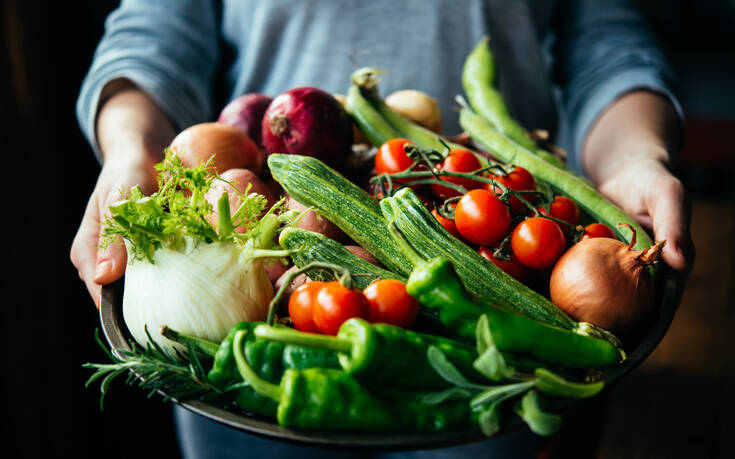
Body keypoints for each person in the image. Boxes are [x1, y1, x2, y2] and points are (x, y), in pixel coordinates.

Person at [70, 0, 695, 457]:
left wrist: (638, 156)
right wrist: (131, 150)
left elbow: (605, 36)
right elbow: (154, 31)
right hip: (255, 315)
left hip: (500, 319)